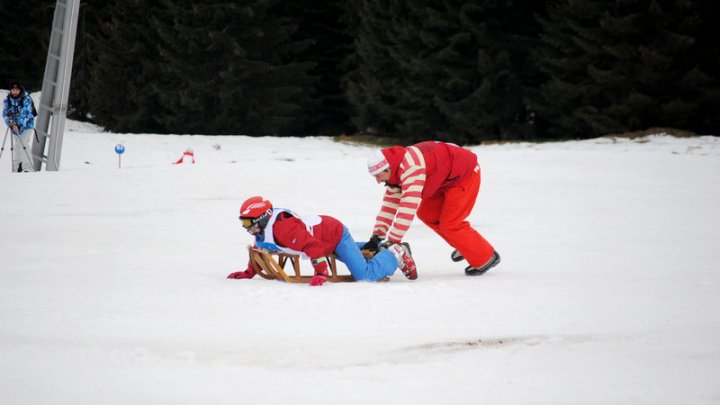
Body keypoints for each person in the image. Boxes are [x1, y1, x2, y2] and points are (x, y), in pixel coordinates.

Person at [364, 141, 500, 276]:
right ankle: (465, 246)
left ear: (388, 169)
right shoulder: (394, 173)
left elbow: (407, 208)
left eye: (377, 176)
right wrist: (377, 237)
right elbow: (389, 206)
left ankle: (485, 257)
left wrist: (393, 241)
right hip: (443, 179)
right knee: (426, 214)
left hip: (465, 174)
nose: (377, 181)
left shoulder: (411, 169)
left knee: (451, 224)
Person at [227, 196, 417, 285]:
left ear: (261, 218)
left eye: (247, 222)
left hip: (333, 234)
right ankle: (381, 248)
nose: (246, 227)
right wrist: (249, 272)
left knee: (365, 275)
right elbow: (260, 249)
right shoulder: (261, 230)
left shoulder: (284, 229)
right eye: (243, 222)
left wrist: (321, 272)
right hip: (322, 235)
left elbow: (313, 247)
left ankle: (395, 253)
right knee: (348, 253)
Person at [2, 82, 36, 172]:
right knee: (17, 146)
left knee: (22, 144)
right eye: (13, 90)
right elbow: (5, 114)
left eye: (17, 90)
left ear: (20, 90)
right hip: (14, 127)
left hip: (26, 126)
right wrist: (12, 124)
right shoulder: (8, 100)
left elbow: (27, 114)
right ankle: (16, 168)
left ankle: (28, 168)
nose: (15, 92)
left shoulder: (26, 98)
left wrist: (19, 125)